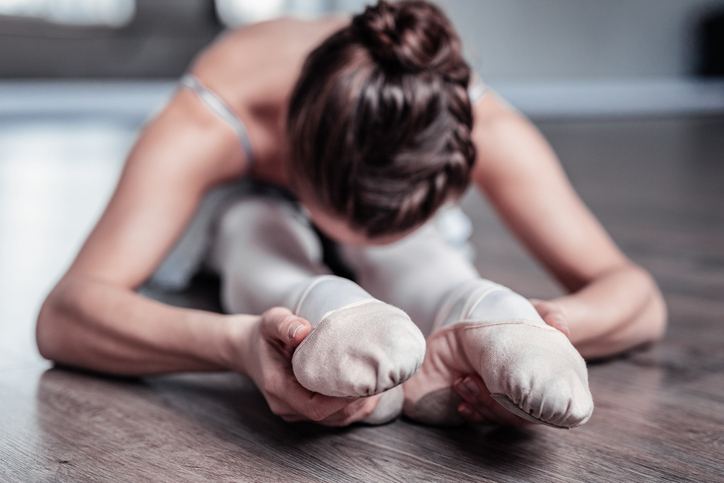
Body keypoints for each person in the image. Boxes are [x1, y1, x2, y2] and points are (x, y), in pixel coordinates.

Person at [36, 0, 666, 427]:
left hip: (404, 228)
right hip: (248, 206)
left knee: (418, 255)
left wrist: (547, 328)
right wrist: (236, 346)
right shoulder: (209, 120)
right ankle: (325, 308)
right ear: (293, 156)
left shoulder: (470, 120)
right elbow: (65, 315)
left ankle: (489, 318)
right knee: (254, 227)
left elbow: (637, 297)